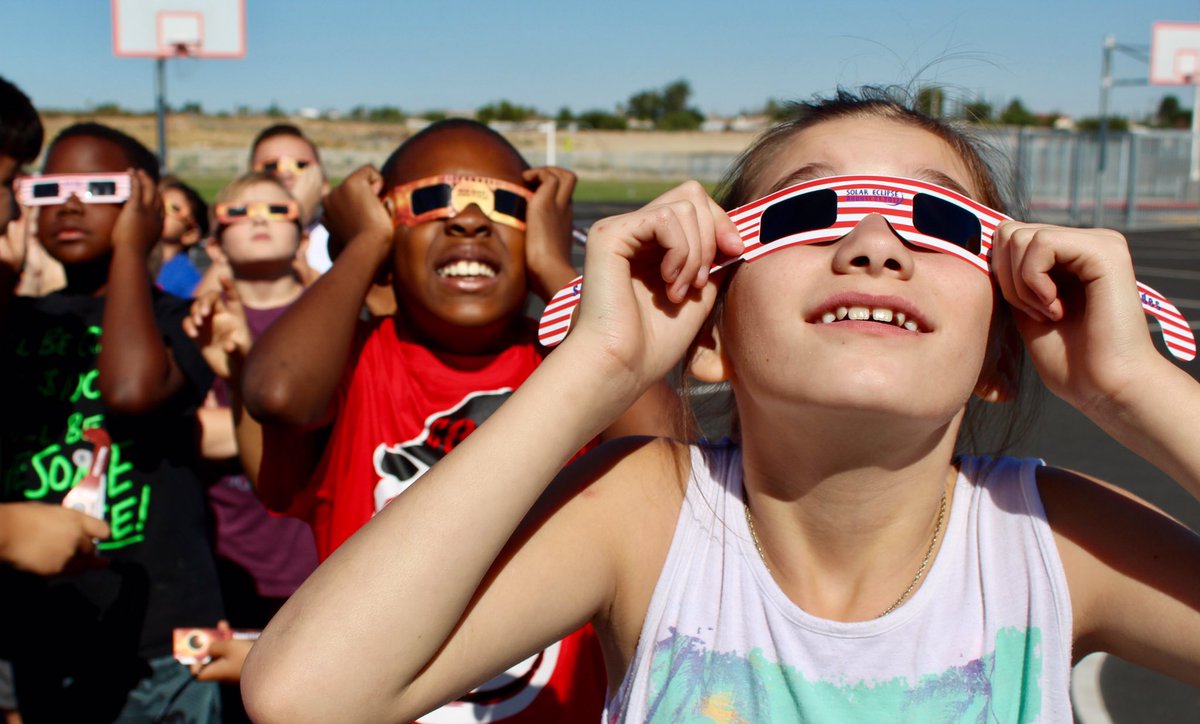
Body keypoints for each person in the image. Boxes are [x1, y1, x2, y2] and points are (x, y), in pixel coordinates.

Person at [242, 91, 1200, 722]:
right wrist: (598, 366)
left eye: (941, 222)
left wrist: (1136, 388)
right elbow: (304, 695)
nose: (874, 245)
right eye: (805, 214)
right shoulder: (649, 516)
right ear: (710, 333)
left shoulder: (1051, 542)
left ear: (999, 353)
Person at [241, 118, 676, 722]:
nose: (469, 221)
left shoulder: (579, 365)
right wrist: (364, 246)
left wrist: (557, 267)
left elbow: (669, 468)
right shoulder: (352, 365)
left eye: (505, 206)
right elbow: (279, 393)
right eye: (430, 201)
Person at [0, 121, 223, 722]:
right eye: (51, 189)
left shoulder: (181, 320)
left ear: (145, 204)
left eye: (100, 189)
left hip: (159, 645)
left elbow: (129, 390)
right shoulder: (19, 319)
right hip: (45, 634)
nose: (71, 204)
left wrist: (131, 249)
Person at [249, 123, 329, 278]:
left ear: (322, 177)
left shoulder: (344, 235)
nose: (286, 174)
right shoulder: (240, 234)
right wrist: (296, 214)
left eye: (300, 164)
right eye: (271, 166)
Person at [152, 175, 208, 298]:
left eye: (174, 208)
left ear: (190, 235)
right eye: (157, 200)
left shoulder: (187, 279)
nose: (160, 208)